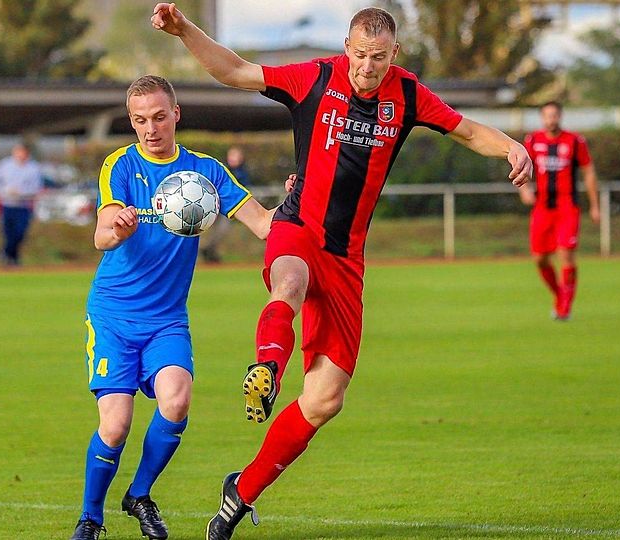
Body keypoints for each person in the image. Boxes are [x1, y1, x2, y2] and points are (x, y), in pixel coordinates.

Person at [151, 5, 533, 539]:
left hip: (347, 257)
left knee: (326, 399)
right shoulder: (317, 76)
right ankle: (266, 369)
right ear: (345, 47)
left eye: (377, 58)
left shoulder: (408, 94)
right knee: (288, 282)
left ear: (393, 55)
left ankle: (240, 493)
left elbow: (466, 130)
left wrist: (511, 146)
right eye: (359, 55)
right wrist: (186, 30)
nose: (366, 67)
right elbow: (236, 71)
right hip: (297, 227)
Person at [69, 75, 275, 540]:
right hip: (114, 316)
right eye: (140, 120)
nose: (150, 128)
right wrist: (116, 229)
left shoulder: (207, 172)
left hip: (166, 321)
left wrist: (299, 202)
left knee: (177, 399)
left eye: (159, 117)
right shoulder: (119, 165)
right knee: (116, 425)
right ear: (131, 121)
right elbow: (101, 234)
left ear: (176, 114)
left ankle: (139, 494)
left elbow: (263, 224)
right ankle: (90, 518)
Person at [520, 101, 599, 321]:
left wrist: (595, 206)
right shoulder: (533, 140)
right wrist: (524, 190)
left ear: (560, 116)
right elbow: (521, 167)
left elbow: (589, 172)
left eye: (555, 115)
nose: (551, 119)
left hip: (567, 208)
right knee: (539, 259)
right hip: (542, 208)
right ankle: (559, 294)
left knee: (566, 254)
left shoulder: (574, 141)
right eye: (547, 115)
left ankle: (565, 307)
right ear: (542, 118)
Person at [0, 142, 42, 266]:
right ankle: (13, 259)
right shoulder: (5, 165)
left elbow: (36, 187)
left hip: (23, 205)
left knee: (20, 233)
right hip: (8, 204)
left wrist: (22, 193)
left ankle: (7, 254)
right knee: (8, 233)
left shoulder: (33, 168)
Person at [200, 146, 250, 264]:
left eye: (236, 156)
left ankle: (210, 251)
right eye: (232, 156)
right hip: (212, 206)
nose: (234, 159)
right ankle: (204, 251)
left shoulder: (243, 172)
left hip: (228, 209)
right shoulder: (221, 169)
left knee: (222, 230)